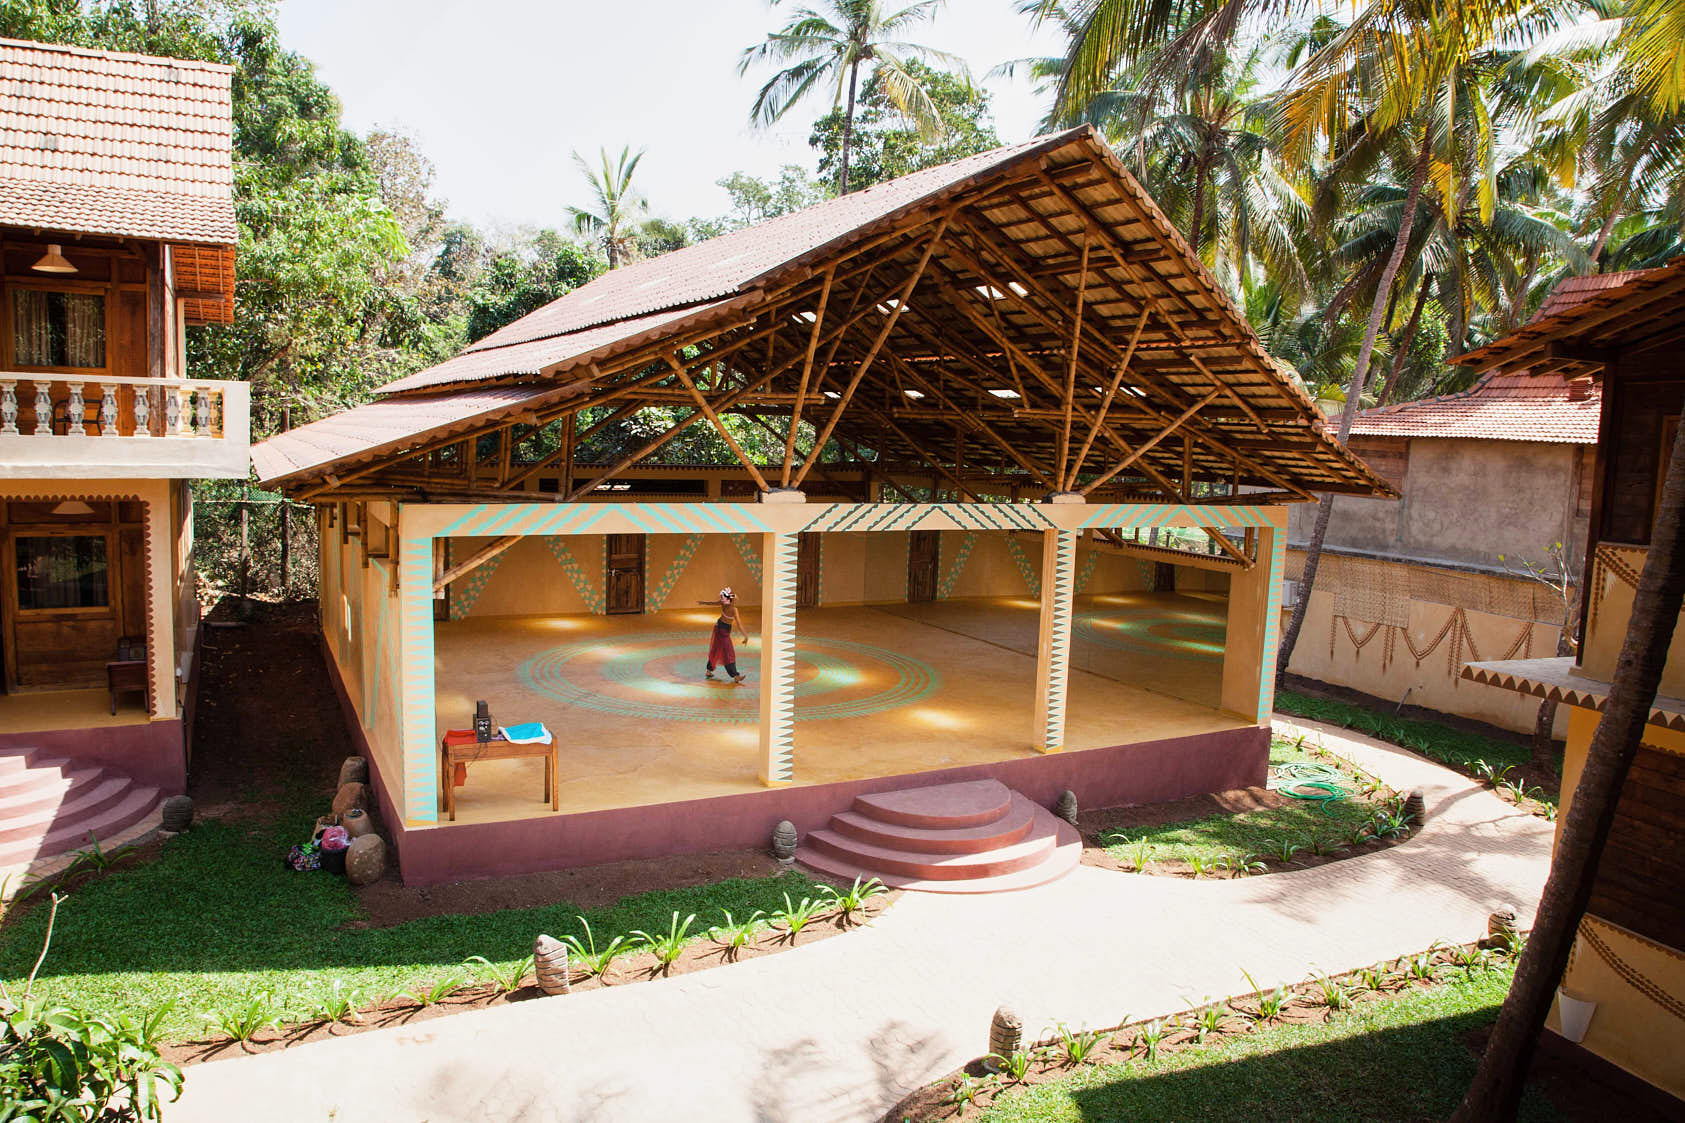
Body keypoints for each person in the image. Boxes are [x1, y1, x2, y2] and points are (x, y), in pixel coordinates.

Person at [702, 587, 749, 684]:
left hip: (719, 627)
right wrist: (746, 636)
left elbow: (714, 603)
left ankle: (708, 671)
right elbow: (739, 624)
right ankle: (736, 676)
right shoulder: (734, 609)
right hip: (723, 631)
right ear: (731, 599)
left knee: (716, 649)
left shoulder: (724, 603)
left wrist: (704, 603)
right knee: (728, 653)